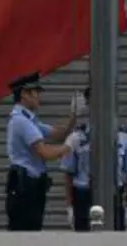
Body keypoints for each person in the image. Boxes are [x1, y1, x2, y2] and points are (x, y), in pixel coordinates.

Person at [5, 72, 85, 231]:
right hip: (25, 187)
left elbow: (57, 134)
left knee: (33, 229)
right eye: (35, 92)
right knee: (25, 233)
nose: (38, 97)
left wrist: (73, 116)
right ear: (24, 94)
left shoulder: (30, 119)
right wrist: (68, 147)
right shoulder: (21, 121)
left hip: (30, 186)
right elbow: (45, 153)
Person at [61, 87, 127, 231]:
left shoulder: (124, 137)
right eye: (95, 102)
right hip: (83, 197)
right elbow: (68, 173)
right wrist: (69, 206)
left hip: (113, 196)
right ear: (88, 104)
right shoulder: (76, 137)